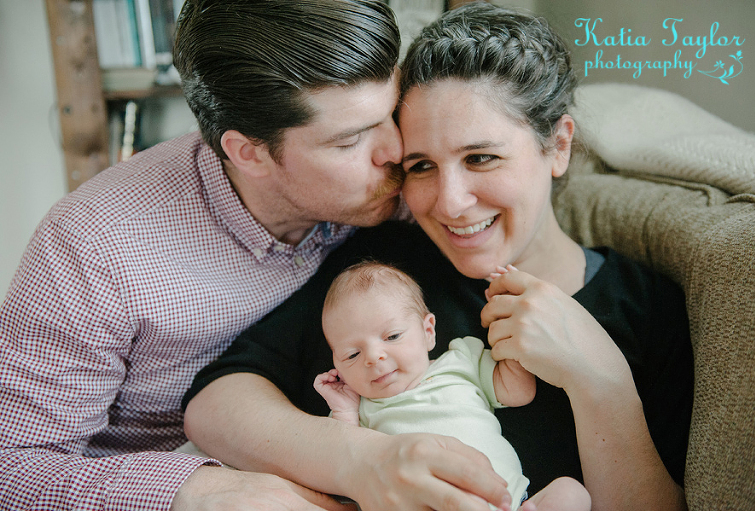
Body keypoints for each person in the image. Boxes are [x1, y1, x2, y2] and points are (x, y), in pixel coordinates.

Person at [184, 3, 694, 511]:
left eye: (481, 158)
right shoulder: (385, 267)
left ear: (558, 146)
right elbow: (217, 400)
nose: (449, 202)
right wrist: (362, 459)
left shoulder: (648, 309)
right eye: (422, 165)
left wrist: (600, 381)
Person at [0, 1, 413, 509]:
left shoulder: (402, 180)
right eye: (351, 141)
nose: (397, 150)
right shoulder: (94, 247)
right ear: (250, 153)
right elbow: (12, 468)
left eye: (391, 111)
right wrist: (199, 491)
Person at [314, 261, 591, 511]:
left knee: (571, 492)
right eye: (352, 354)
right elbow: (345, 472)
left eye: (393, 336)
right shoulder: (359, 409)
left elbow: (517, 392)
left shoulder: (461, 361)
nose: (374, 357)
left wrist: (511, 337)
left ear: (428, 331)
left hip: (510, 501)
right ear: (336, 365)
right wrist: (344, 412)